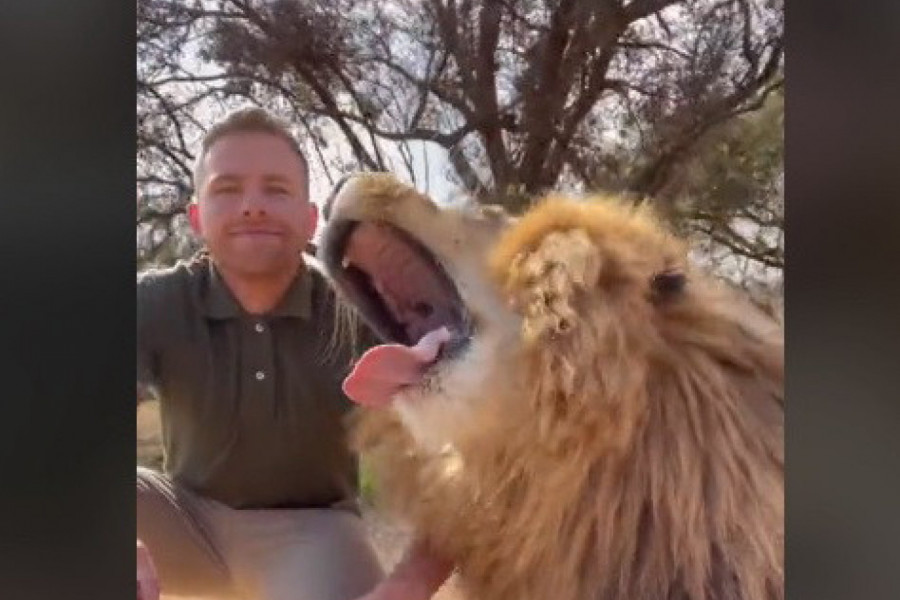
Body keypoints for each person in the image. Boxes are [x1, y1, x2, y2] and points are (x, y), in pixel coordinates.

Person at [136, 107, 453, 600]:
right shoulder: (154, 301)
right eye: (227, 189)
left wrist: (411, 583)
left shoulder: (364, 308)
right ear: (197, 218)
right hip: (185, 522)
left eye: (276, 189)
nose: (252, 207)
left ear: (310, 222)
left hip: (313, 531)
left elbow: (466, 457)